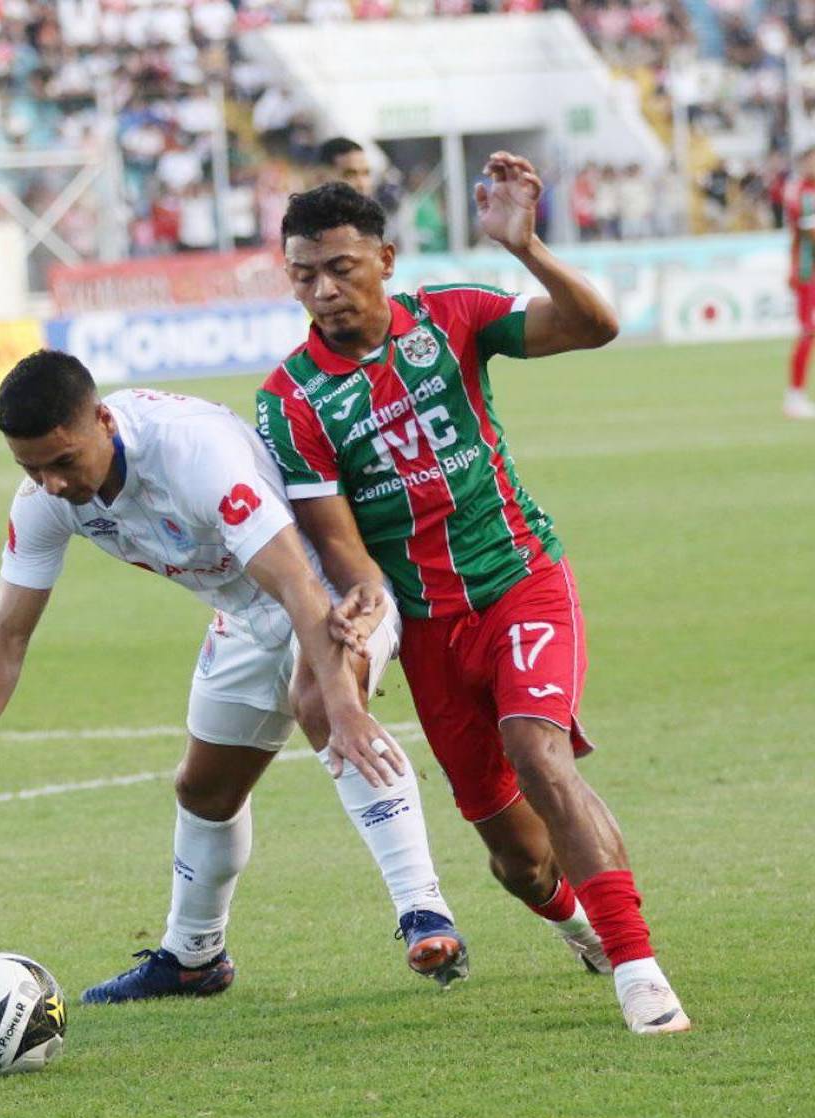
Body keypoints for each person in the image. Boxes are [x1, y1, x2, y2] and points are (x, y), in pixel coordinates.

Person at [256, 154, 691, 1034]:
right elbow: (346, 552)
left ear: (384, 258)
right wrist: (363, 606)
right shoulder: (291, 402)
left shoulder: (451, 316)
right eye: (304, 275)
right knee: (520, 862)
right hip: (426, 628)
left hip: (521, 576)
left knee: (539, 750)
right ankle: (579, 922)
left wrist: (526, 247)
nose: (325, 291)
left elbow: (594, 326)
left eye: (341, 268)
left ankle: (639, 970)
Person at [0, 351, 470, 1000]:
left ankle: (424, 911)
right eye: (30, 468)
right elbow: (7, 630)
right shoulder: (46, 499)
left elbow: (300, 585)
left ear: (103, 420)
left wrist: (344, 701)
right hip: (243, 614)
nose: (49, 483)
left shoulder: (192, 453)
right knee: (204, 791)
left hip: (332, 589)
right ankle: (194, 957)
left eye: (62, 462)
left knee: (319, 704)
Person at [783, 146, 815, 419]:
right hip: (809, 274)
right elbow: (807, 233)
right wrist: (792, 270)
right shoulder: (799, 192)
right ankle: (794, 397)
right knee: (808, 332)